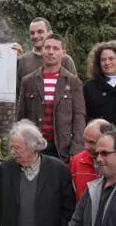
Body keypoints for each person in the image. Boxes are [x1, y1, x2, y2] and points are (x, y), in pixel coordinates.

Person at [17, 33, 86, 161]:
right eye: (47, 48)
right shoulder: (28, 81)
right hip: (34, 147)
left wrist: (76, 150)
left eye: (55, 48)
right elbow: (21, 117)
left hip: (62, 149)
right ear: (42, 50)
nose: (50, 52)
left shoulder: (73, 82)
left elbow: (79, 117)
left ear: (63, 53)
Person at [16, 17, 78, 98]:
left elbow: (75, 92)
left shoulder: (65, 60)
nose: (35, 36)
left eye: (40, 32)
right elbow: (18, 93)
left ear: (50, 33)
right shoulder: (23, 60)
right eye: (32, 33)